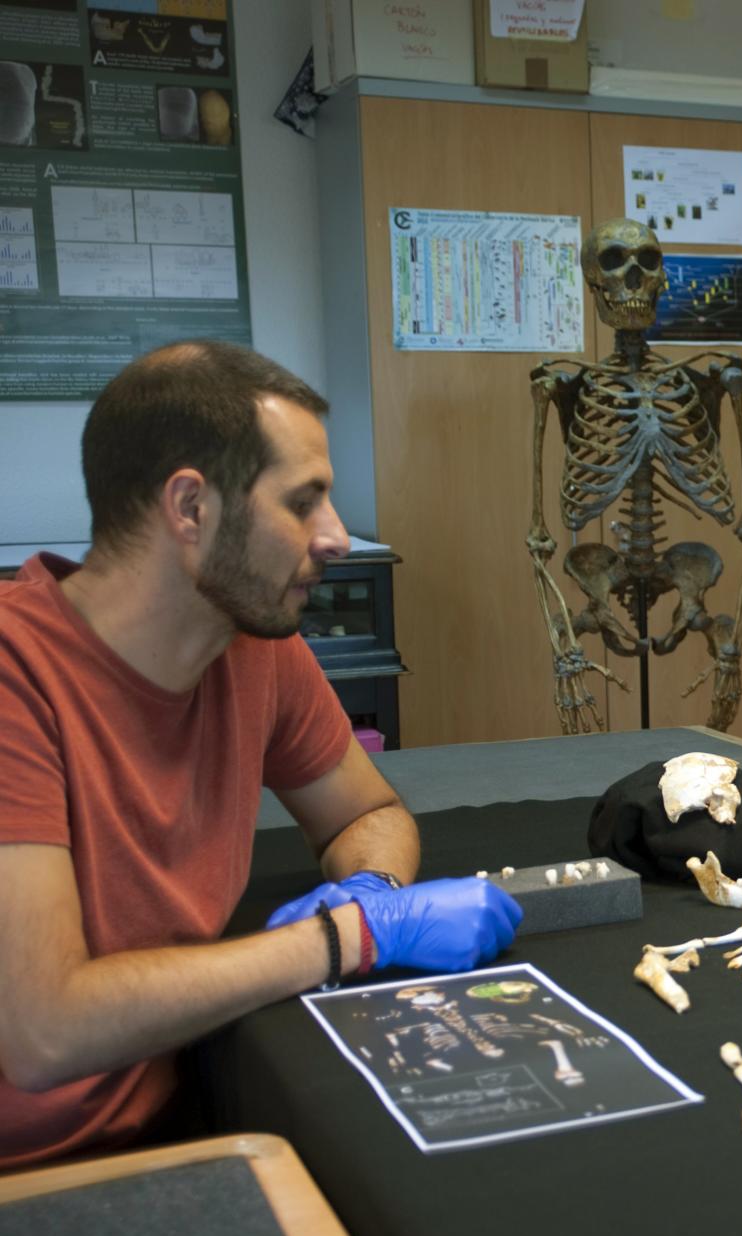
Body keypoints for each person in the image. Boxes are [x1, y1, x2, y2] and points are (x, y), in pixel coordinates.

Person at [0, 342, 522, 1168]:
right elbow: (41, 1030)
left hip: (186, 1103)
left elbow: (368, 812)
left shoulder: (253, 645)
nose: (337, 537)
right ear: (190, 507)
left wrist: (372, 889)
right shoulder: (14, 673)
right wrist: (346, 935)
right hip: (34, 1173)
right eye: (303, 501)